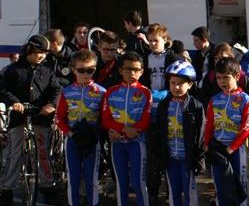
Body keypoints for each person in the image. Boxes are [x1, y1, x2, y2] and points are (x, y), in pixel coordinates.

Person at [0, 35, 61, 204]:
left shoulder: (48, 70)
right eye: (39, 52)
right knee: (14, 153)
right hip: (18, 116)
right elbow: (3, 89)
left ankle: (48, 187)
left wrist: (51, 105)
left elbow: (56, 90)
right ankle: (7, 189)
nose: (42, 56)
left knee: (43, 151)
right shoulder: (13, 70)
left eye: (45, 53)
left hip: (41, 116)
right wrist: (14, 102)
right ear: (30, 50)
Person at [54, 49, 106, 206]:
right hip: (73, 140)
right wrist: (70, 133)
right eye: (81, 70)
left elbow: (106, 119)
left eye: (90, 70)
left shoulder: (102, 92)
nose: (85, 74)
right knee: (73, 179)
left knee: (92, 179)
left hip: (92, 141)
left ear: (95, 69)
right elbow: (58, 118)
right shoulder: (67, 91)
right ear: (73, 69)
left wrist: (96, 132)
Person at [101, 51, 152, 206]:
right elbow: (105, 119)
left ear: (142, 71)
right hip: (117, 144)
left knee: (138, 182)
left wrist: (133, 131)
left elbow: (145, 120)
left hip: (137, 143)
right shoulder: (111, 91)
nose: (132, 73)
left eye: (136, 70)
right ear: (120, 70)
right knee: (121, 183)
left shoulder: (145, 92)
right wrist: (122, 130)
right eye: (128, 69)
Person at [203, 57, 249, 206]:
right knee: (221, 186)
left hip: (236, 149)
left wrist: (232, 147)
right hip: (217, 148)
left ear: (237, 76)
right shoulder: (214, 100)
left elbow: (247, 126)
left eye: (226, 77)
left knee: (239, 186)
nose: (222, 81)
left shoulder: (245, 99)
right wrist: (206, 144)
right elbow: (209, 125)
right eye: (219, 78)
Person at [140, 23, 181, 201]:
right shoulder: (144, 57)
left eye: (155, 40)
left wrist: (166, 94)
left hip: (168, 107)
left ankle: (172, 192)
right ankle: (153, 192)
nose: (152, 44)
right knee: (152, 153)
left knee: (170, 150)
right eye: (149, 41)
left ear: (165, 40)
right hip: (150, 109)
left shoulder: (173, 57)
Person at [155, 60, 205, 206]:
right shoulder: (164, 105)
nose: (176, 87)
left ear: (189, 84)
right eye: (173, 83)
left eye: (180, 83)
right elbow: (159, 131)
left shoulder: (196, 106)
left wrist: (199, 158)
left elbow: (201, 134)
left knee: (190, 193)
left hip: (187, 158)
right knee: (173, 192)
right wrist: (159, 156)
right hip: (170, 157)